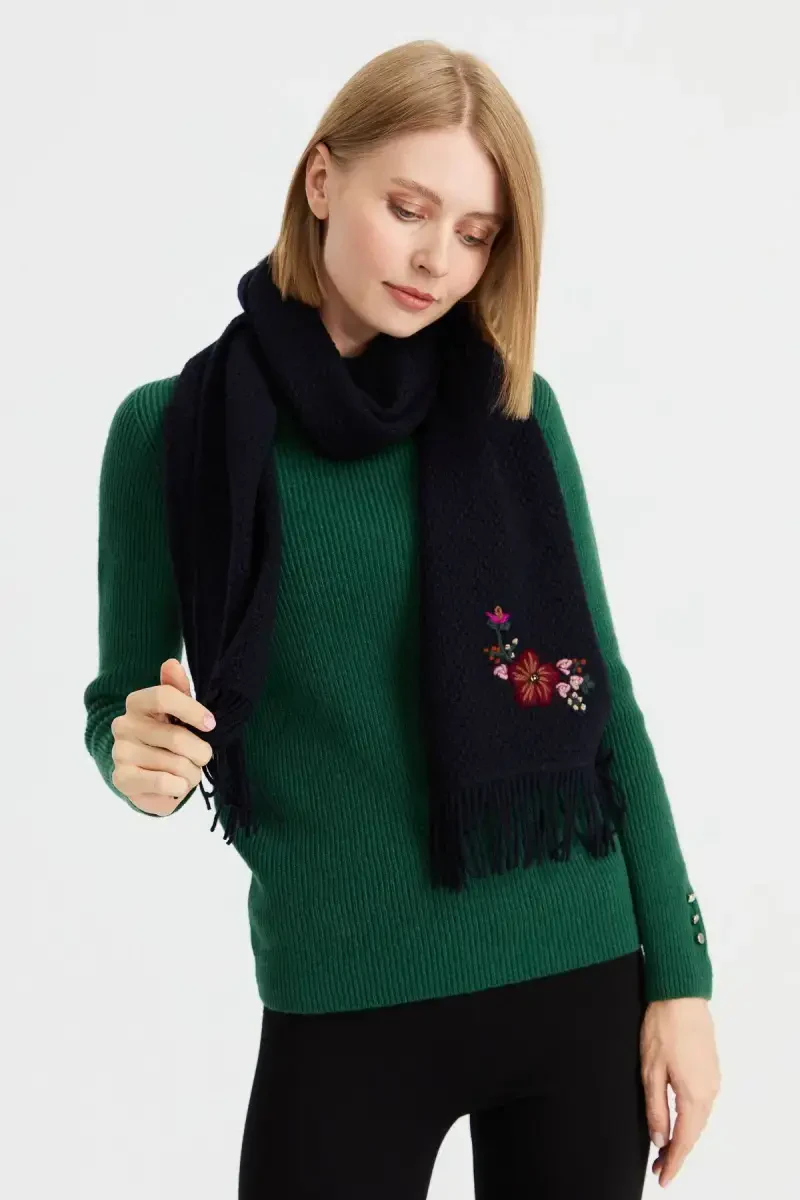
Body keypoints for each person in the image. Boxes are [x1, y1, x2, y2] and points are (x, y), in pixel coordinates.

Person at [83, 38, 721, 1199]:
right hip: (341, 999)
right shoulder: (171, 432)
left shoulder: (516, 413)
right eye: (409, 208)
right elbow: (120, 708)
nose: (437, 260)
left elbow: (603, 704)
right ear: (322, 179)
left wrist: (681, 981)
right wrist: (138, 759)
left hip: (575, 982)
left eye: (475, 233)